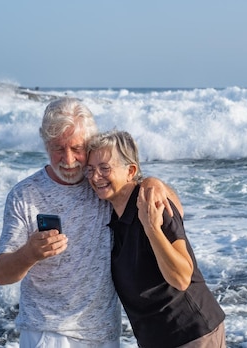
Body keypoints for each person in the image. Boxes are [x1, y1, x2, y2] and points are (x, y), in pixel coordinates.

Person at [0, 98, 181, 348]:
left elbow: (176, 208)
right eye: (58, 148)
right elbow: (2, 274)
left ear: (90, 145)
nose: (68, 160)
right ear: (45, 144)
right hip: (47, 334)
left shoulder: (101, 185)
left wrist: (152, 182)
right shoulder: (25, 195)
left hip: (104, 335)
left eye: (77, 148)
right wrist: (30, 253)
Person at [86, 130, 226, 348]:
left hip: (192, 335)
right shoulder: (112, 213)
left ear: (130, 170)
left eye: (105, 168)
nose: (95, 177)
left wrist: (152, 228)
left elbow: (181, 277)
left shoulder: (153, 204)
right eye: (90, 170)